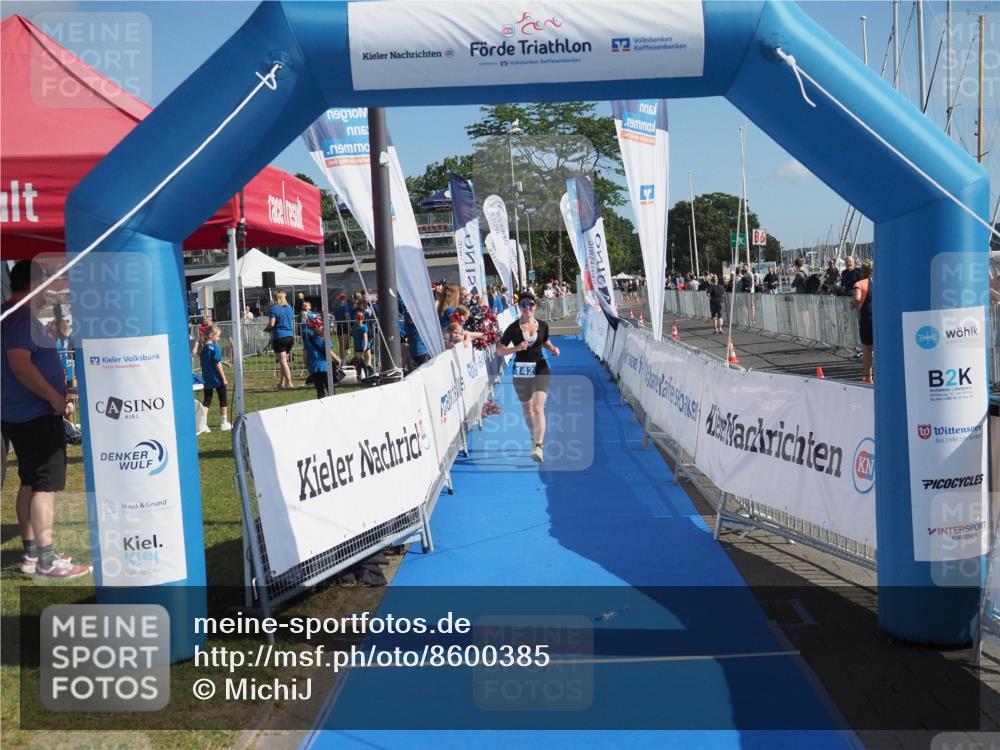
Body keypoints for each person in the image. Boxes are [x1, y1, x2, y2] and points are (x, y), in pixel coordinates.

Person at [1, 260, 90, 579]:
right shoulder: (20, 317)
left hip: (23, 414)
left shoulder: (14, 315)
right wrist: (53, 397)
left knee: (30, 482)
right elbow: (20, 365)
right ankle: (45, 560)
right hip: (35, 415)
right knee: (44, 486)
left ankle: (33, 553)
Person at [496, 292, 560, 463]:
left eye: (531, 304)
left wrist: (552, 348)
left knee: (538, 408)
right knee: (527, 409)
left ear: (535, 306)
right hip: (521, 370)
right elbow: (499, 350)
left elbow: (545, 341)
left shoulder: (543, 325)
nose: (528, 308)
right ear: (519, 307)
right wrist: (515, 348)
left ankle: (538, 446)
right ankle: (534, 435)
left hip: (540, 367)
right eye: (524, 304)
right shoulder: (513, 328)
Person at [199, 325, 232, 430]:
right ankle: (224, 422)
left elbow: (211, 361)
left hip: (207, 377)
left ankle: (203, 424)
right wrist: (223, 378)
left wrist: (223, 362)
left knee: (207, 400)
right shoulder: (215, 347)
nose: (219, 338)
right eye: (218, 336)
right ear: (212, 335)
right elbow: (217, 363)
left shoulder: (203, 347)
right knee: (223, 398)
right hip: (217, 378)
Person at [852, 262, 874, 382]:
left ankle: (869, 377)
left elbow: (856, 298)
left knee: (867, 350)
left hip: (867, 319)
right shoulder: (882, 282)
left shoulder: (860, 284)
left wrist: (853, 304)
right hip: (881, 319)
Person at [269, 290, 295, 390]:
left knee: (283, 362)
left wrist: (267, 328)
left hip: (280, 336)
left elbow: (272, 324)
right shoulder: (289, 308)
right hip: (290, 336)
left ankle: (289, 383)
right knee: (283, 362)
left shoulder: (274, 308)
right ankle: (281, 382)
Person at [301, 316, 331, 398]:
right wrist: (338, 360)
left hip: (314, 369)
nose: (322, 327)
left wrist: (308, 367)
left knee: (320, 391)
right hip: (325, 367)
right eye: (321, 326)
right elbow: (330, 353)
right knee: (330, 389)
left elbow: (305, 357)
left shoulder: (307, 342)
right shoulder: (325, 340)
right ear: (317, 327)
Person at [352, 311, 373, 380]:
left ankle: (366, 375)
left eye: (360, 318)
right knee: (364, 362)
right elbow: (364, 337)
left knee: (364, 361)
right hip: (362, 346)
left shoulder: (356, 326)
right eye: (359, 318)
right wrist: (365, 346)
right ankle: (366, 375)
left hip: (361, 346)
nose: (360, 320)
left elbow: (364, 337)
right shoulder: (361, 327)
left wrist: (364, 346)